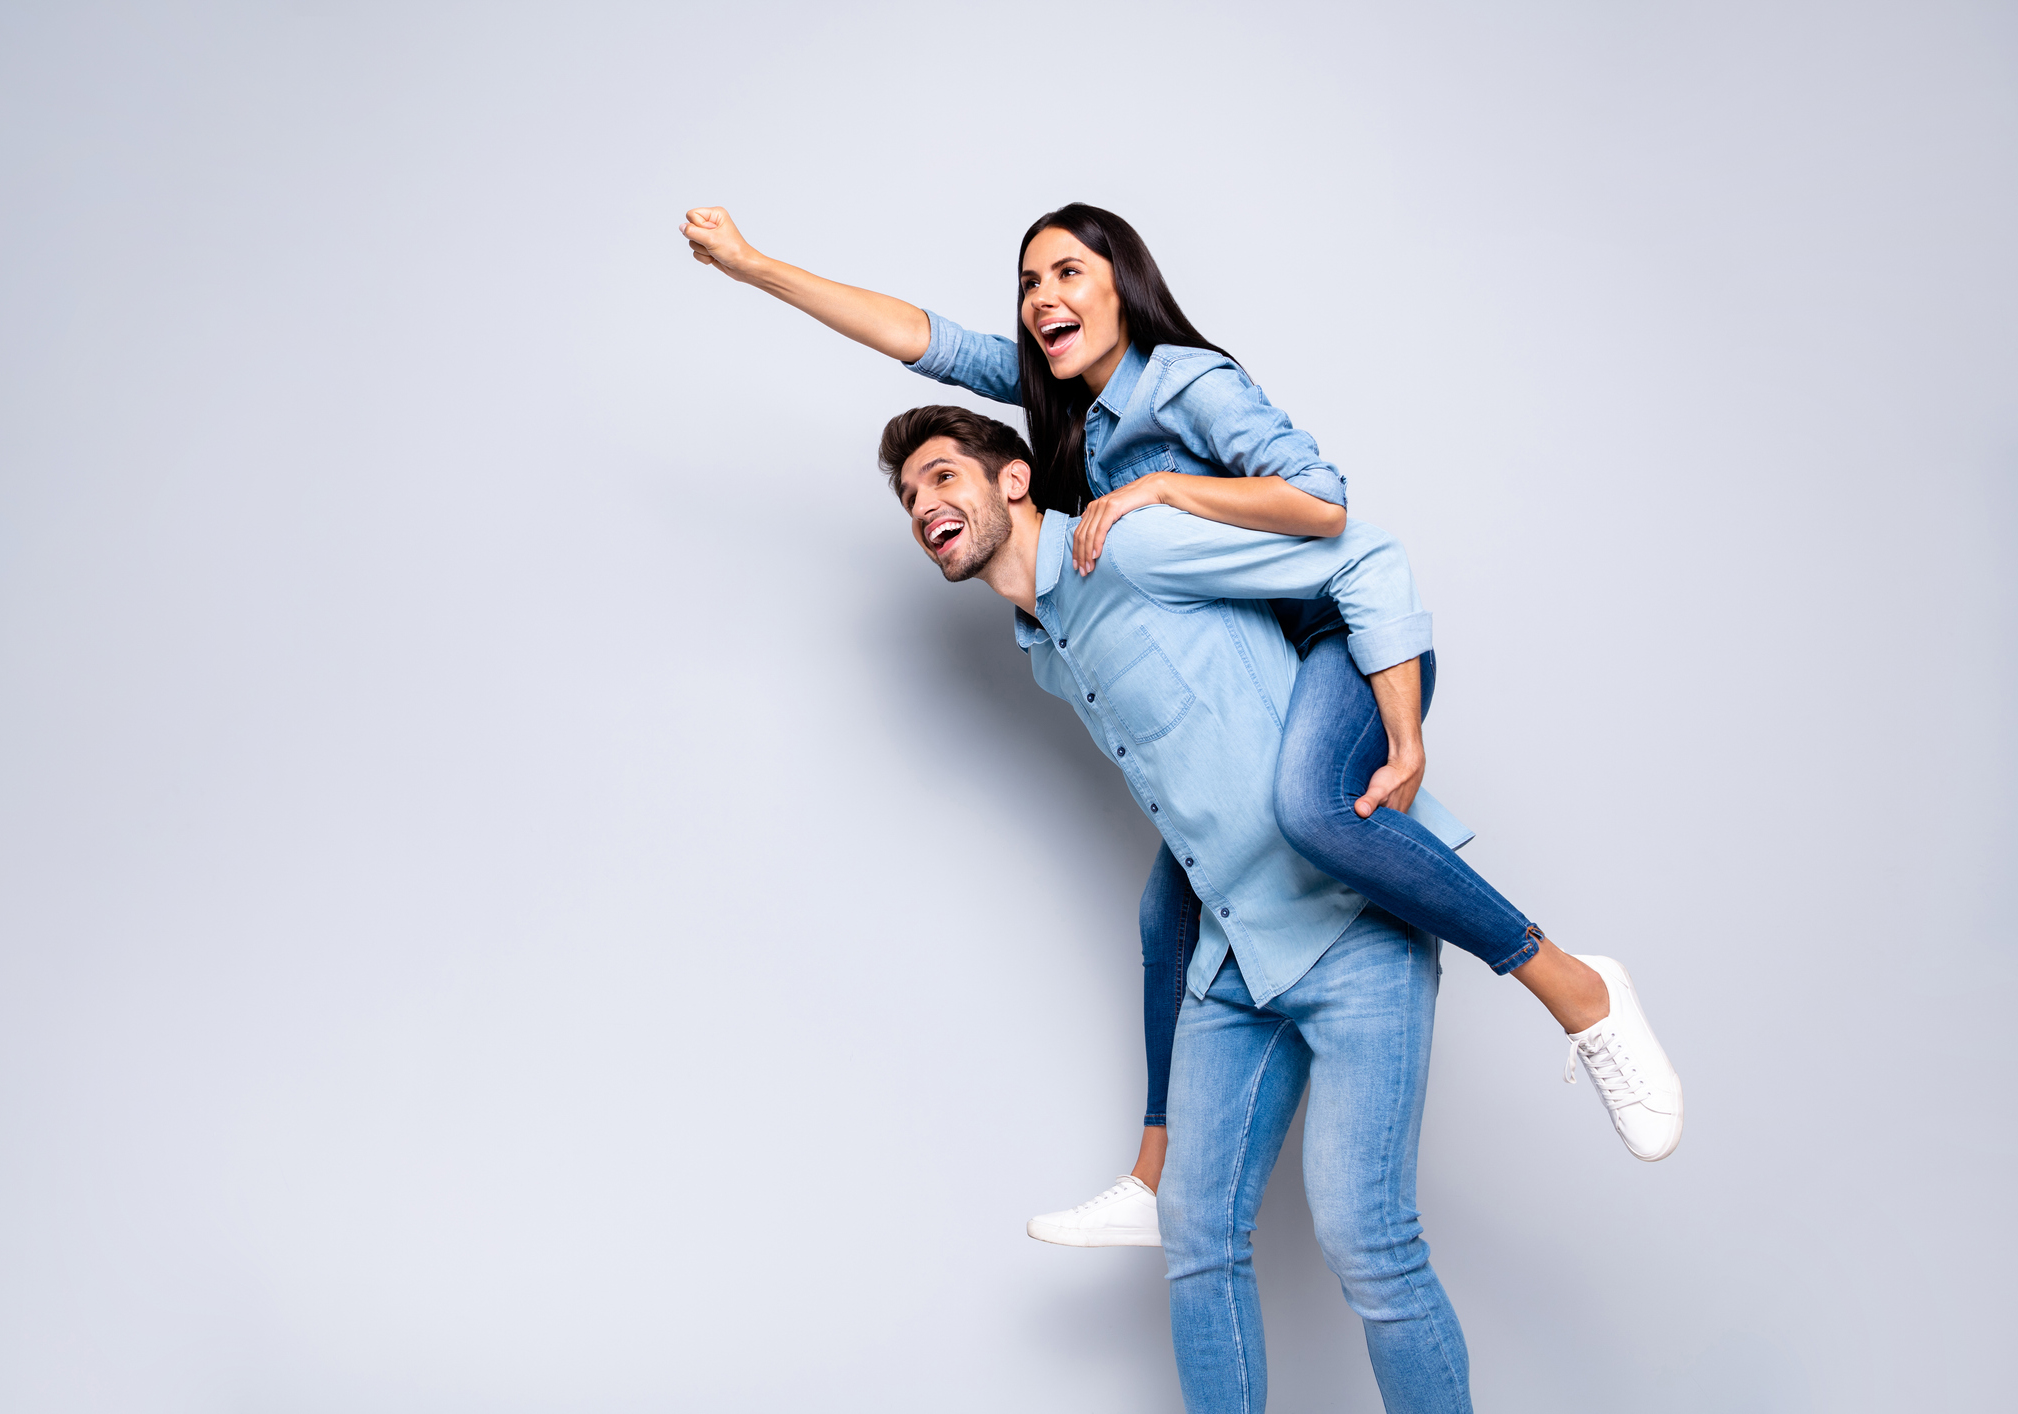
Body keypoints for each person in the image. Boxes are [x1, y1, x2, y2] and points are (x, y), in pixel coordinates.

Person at [678, 204, 1684, 1250]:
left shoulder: (1188, 384)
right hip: (1270, 670)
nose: (1042, 298)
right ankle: (1155, 1178)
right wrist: (754, 268)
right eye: (1028, 283)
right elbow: (910, 332)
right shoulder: (1051, 400)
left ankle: (1574, 985)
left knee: (1310, 805)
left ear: (1123, 282)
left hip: (1344, 636)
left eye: (1068, 271)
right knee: (1169, 914)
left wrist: (1168, 492)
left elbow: (1331, 512)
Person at [882, 403, 1500, 1411]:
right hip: (1236, 955)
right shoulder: (1043, 642)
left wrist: (1400, 734)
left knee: (1366, 1238)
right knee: (1196, 1235)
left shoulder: (1128, 548)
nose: (924, 505)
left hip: (1353, 928)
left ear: (1012, 480)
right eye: (909, 498)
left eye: (943, 476)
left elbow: (1357, 554)